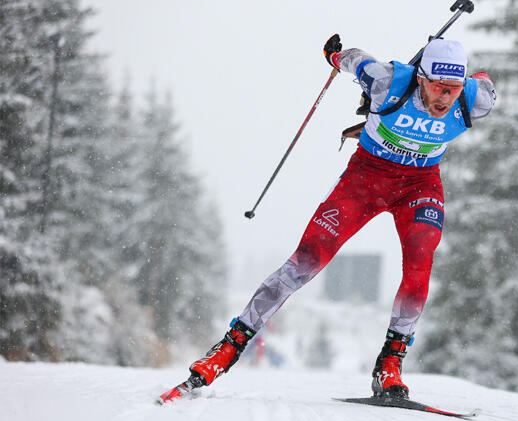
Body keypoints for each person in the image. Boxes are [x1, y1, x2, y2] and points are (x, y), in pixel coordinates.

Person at [186, 34, 496, 400]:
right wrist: (334, 55)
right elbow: (354, 59)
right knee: (307, 260)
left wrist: (473, 80)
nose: (446, 98)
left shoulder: (475, 101)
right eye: (439, 87)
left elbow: (485, 81)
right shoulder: (388, 81)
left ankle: (390, 365)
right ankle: (228, 348)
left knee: (420, 261)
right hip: (365, 180)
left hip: (419, 185)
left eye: (454, 88)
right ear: (421, 78)